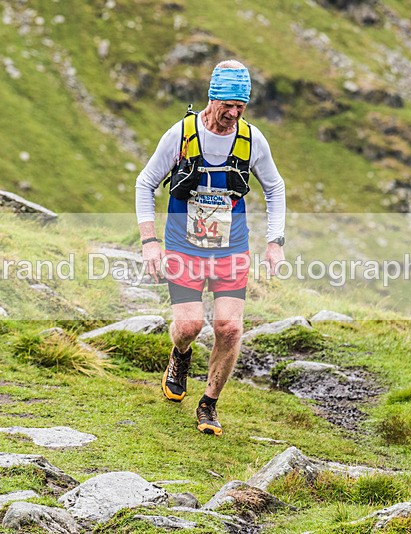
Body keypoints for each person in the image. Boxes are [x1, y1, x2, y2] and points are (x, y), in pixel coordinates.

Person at [135, 60, 286, 435]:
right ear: (212, 97)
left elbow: (275, 188)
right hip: (183, 244)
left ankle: (208, 404)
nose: (233, 114)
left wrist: (274, 242)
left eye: (241, 107)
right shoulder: (182, 134)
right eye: (227, 106)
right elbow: (145, 183)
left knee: (229, 327)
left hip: (230, 246)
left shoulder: (252, 140)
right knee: (189, 325)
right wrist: (150, 242)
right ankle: (181, 354)